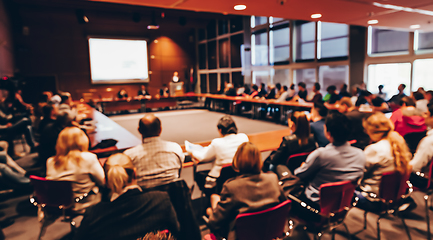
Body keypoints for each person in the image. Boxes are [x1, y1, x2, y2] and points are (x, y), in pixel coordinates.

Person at [74, 153, 179, 240]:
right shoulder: (160, 200)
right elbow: (177, 232)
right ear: (134, 173)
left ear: (106, 181)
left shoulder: (94, 214)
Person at [207, 142, 286, 240]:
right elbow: (284, 206)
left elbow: (214, 223)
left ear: (237, 161)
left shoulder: (231, 187)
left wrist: (214, 207)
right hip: (271, 235)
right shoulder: (273, 179)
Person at [289, 111, 365, 210]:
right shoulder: (360, 154)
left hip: (314, 207)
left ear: (328, 133)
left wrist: (303, 166)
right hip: (343, 205)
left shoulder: (321, 154)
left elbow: (298, 174)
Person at [356, 112, 411, 212]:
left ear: (370, 131)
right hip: (392, 198)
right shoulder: (398, 143)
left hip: (372, 199)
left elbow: (359, 174)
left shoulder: (374, 149)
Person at [46, 127, 105, 211]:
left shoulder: (50, 161)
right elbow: (103, 181)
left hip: (59, 203)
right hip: (85, 201)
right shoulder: (88, 158)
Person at [188, 115, 248, 194]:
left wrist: (191, 152)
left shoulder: (217, 143)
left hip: (219, 182)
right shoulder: (244, 138)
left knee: (199, 175)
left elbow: (202, 157)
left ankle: (211, 199)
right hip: (239, 178)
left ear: (220, 130)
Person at [124, 114, 184, 189]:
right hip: (174, 198)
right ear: (160, 129)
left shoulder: (129, 156)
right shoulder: (175, 148)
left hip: (144, 198)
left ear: (139, 130)